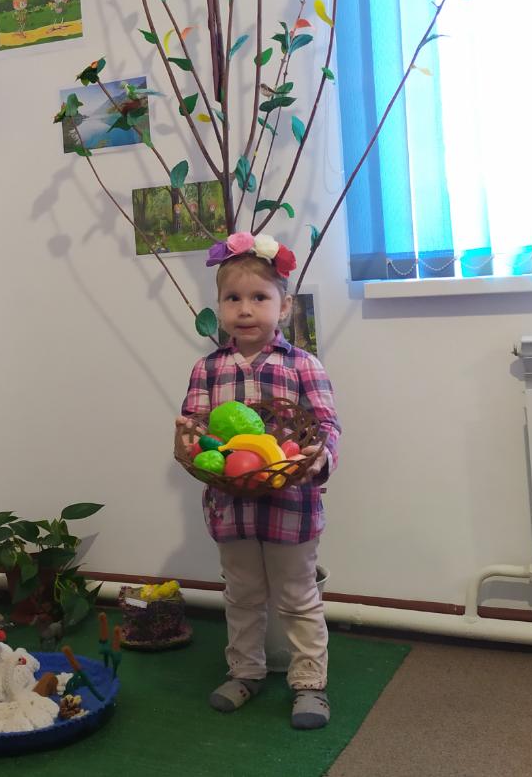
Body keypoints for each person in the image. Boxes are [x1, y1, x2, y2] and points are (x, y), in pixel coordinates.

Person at [174, 231, 341, 730]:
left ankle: (309, 683)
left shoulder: (302, 365)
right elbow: (197, 427)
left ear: (283, 306)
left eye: (259, 298)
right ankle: (245, 672)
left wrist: (317, 457)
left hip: (292, 507)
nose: (245, 309)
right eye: (232, 298)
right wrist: (188, 439)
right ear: (219, 307)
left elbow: (326, 426)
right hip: (231, 508)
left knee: (298, 596)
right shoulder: (208, 369)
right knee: (241, 594)